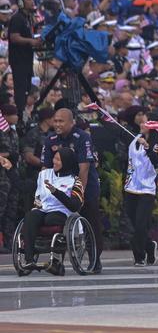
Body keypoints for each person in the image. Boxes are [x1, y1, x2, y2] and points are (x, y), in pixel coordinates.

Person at [42, 108, 103, 273]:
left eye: (61, 121)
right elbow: (46, 168)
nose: (57, 124)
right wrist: (44, 191)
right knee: (59, 223)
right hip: (60, 187)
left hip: (84, 186)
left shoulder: (82, 138)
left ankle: (95, 259)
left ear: (71, 122)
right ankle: (57, 261)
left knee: (91, 222)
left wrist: (78, 194)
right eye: (55, 121)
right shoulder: (50, 139)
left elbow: (84, 168)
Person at [21, 146, 81, 276]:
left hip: (62, 211)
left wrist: (56, 192)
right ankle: (29, 260)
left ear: (66, 162)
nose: (55, 161)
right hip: (43, 208)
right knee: (30, 217)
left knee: (50, 219)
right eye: (54, 158)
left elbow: (74, 206)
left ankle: (56, 262)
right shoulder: (44, 174)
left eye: (58, 160)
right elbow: (32, 191)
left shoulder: (74, 181)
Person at [123, 107, 158, 266]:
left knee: (141, 223)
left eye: (145, 123)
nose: (142, 124)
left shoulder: (157, 144)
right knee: (133, 223)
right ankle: (149, 245)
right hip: (131, 187)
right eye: (141, 122)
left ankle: (139, 255)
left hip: (147, 189)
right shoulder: (134, 138)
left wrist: (146, 146)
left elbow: (156, 160)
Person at [6, 0, 41, 118]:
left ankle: (24, 113)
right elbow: (14, 37)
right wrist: (31, 41)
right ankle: (20, 116)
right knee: (20, 90)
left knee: (26, 88)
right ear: (21, 3)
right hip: (18, 60)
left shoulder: (28, 17)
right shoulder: (17, 18)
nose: (32, 2)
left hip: (27, 59)